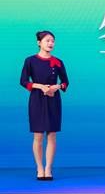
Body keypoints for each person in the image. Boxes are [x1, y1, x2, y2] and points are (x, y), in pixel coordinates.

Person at [20, 31, 69, 181]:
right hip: (37, 99)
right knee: (38, 135)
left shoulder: (58, 61)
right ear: (39, 43)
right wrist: (40, 86)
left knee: (52, 135)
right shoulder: (30, 61)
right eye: (47, 40)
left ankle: (48, 168)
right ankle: (39, 168)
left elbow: (65, 82)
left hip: (53, 100)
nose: (50, 43)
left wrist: (56, 87)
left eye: (52, 41)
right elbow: (23, 81)